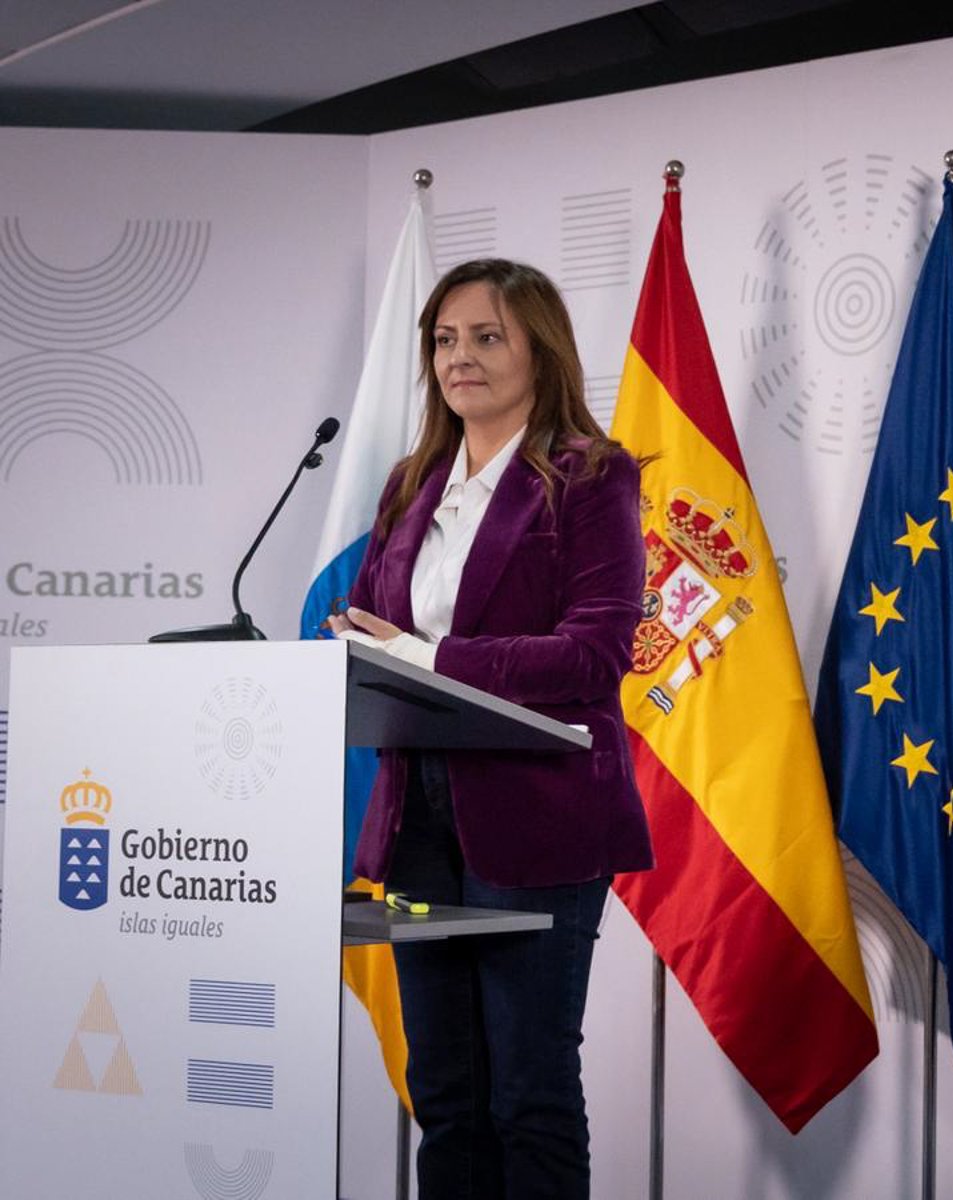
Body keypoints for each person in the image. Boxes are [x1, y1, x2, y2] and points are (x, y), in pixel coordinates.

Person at [328, 258, 651, 1199]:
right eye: (443, 339)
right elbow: (368, 623)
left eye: (485, 336)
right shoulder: (411, 482)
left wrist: (427, 657)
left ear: (538, 350)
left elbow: (594, 654)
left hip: (540, 825)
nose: (458, 358)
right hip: (421, 825)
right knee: (447, 1092)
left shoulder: (590, 477)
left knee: (527, 1092)